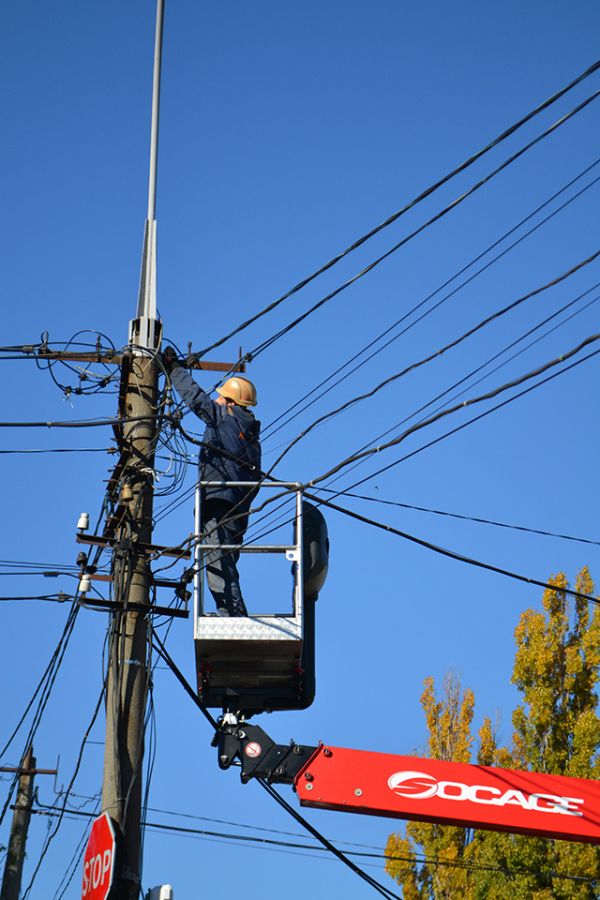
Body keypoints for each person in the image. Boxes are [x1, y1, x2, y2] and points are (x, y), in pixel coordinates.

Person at [163, 348, 261, 617]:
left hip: (218, 502)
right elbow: (256, 481)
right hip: (239, 510)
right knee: (225, 561)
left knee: (217, 563)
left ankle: (232, 615)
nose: (217, 399)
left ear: (231, 402)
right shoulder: (252, 439)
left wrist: (173, 370)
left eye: (221, 397)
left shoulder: (224, 418)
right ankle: (231, 611)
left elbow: (196, 399)